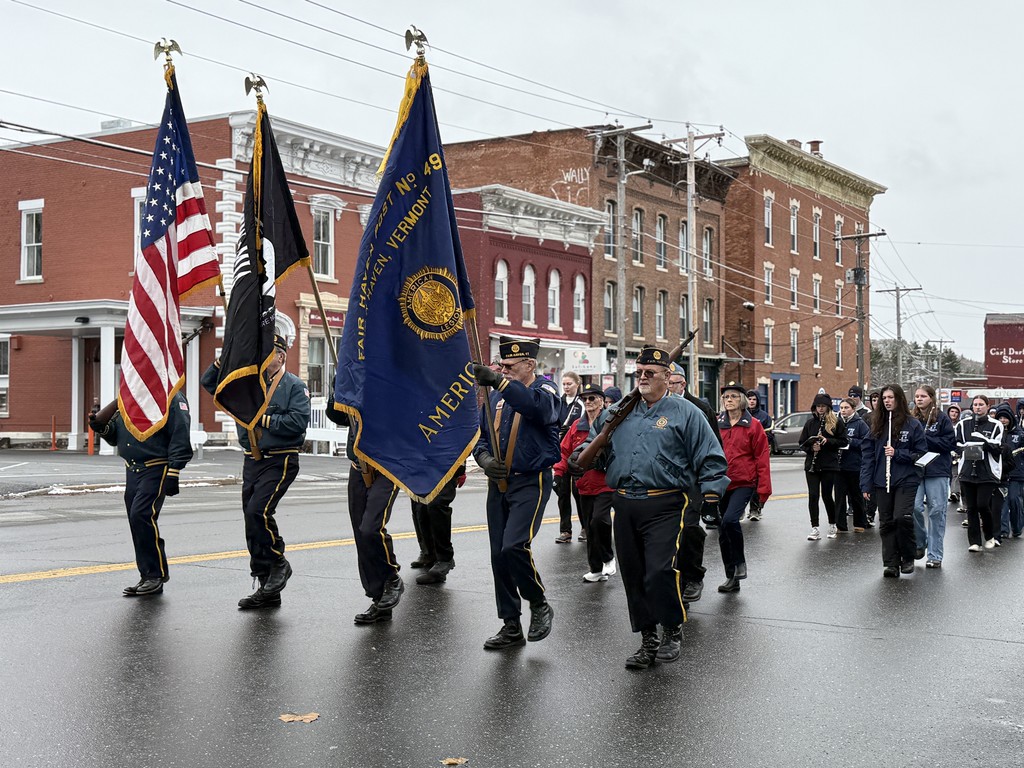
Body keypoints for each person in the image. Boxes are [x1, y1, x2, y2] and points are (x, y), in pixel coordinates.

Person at [572, 346, 728, 670]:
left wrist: (712, 493)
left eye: (650, 373)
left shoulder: (686, 412)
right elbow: (594, 444)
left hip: (666, 501)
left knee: (659, 571)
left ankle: (672, 629)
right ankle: (647, 639)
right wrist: (583, 456)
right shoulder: (618, 411)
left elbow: (710, 454)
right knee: (633, 575)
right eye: (639, 373)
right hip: (624, 502)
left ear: (667, 377)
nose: (643, 378)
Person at [201, 334, 309, 609]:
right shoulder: (249, 385)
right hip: (252, 459)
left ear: (280, 356)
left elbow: (297, 422)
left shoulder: (294, 386)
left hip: (280, 458)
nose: (260, 360)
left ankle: (278, 563)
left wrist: (262, 418)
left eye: (266, 354)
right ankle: (266, 586)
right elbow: (209, 383)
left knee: (258, 511)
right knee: (251, 522)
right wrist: (226, 357)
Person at [471, 336, 561, 651]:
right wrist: (484, 460)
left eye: (509, 367)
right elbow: (481, 439)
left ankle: (538, 603)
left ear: (530, 365)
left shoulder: (546, 389)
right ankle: (510, 624)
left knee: (514, 546)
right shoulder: (494, 399)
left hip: (530, 481)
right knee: (498, 555)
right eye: (501, 367)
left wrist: (499, 382)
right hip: (499, 484)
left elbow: (539, 409)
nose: (503, 371)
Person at [91, 393, 193, 596]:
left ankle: (155, 575)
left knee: (142, 515)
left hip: (156, 467)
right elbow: (116, 436)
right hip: (132, 469)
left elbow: (180, 434)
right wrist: (101, 426)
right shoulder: (132, 396)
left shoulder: (170, 397)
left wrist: (174, 471)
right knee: (136, 520)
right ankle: (147, 575)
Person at [325, 389, 405, 623]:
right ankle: (379, 599)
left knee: (371, 527)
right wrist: (337, 391)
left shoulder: (390, 373)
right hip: (358, 466)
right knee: (361, 533)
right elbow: (339, 416)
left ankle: (392, 578)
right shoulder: (353, 372)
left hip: (387, 465)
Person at [667, 365, 723, 605]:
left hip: (692, 480)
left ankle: (693, 576)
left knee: (689, 527)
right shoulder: (654, 408)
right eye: (667, 382)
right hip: (665, 481)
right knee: (667, 533)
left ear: (684, 384)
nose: (670, 387)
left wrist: (710, 485)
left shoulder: (700, 409)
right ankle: (671, 581)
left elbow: (714, 448)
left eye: (674, 383)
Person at [861, 385, 927, 577]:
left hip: (906, 479)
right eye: (884, 398)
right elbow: (867, 456)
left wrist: (899, 454)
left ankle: (908, 557)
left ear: (899, 399)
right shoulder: (877, 424)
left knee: (902, 517)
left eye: (891, 397)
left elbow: (921, 454)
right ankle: (891, 562)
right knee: (886, 521)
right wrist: (866, 484)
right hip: (882, 480)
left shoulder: (912, 424)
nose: (887, 401)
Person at [553, 384, 615, 582]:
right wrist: (558, 474)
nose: (588, 402)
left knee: (600, 520)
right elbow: (564, 452)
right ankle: (596, 569)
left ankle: (608, 557)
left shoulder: (611, 423)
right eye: (585, 399)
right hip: (583, 484)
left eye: (592, 398)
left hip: (606, 483)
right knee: (589, 527)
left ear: (602, 401)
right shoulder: (576, 426)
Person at [716, 384, 771, 593]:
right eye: (725, 397)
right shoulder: (717, 423)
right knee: (722, 529)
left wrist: (763, 489)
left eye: (732, 396)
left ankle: (740, 563)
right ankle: (732, 576)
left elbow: (762, 458)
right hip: (720, 483)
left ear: (741, 400)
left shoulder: (753, 425)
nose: (728, 400)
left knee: (731, 520)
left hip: (743, 482)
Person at [911, 386, 955, 568]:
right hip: (916, 469)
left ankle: (935, 554)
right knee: (913, 508)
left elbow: (950, 443)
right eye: (916, 396)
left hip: (937, 469)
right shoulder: (911, 419)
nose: (919, 399)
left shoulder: (942, 418)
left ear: (931, 398)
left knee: (937, 511)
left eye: (923, 396)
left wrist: (927, 438)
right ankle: (920, 542)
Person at [955, 395, 1004, 552]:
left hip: (987, 472)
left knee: (983, 504)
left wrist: (983, 441)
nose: (978, 407)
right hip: (968, 471)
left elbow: (998, 448)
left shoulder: (996, 425)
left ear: (988, 406)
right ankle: (974, 542)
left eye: (981, 404)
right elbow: (956, 445)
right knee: (971, 508)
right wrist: (965, 448)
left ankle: (989, 535)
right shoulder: (962, 425)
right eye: (975, 404)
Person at [799, 393, 848, 540]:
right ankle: (815, 527)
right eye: (818, 406)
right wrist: (811, 448)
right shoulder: (810, 423)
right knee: (813, 496)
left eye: (823, 406)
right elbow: (802, 443)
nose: (820, 409)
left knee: (827, 496)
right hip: (812, 465)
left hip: (829, 465)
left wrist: (828, 441)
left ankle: (833, 524)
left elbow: (844, 441)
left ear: (828, 407)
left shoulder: (836, 422)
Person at [409, 466, 466, 585]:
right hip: (420, 464)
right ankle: (428, 553)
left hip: (446, 463)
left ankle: (445, 559)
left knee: (437, 504)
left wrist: (461, 469)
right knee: (419, 506)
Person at [554, 371, 584, 544]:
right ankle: (565, 530)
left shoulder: (580, 403)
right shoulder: (558, 402)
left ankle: (585, 527)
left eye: (569, 384)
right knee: (562, 492)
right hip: (560, 452)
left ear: (577, 384)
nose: (566, 387)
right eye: (564, 384)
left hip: (576, 452)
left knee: (578, 492)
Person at [836, 398, 871, 532]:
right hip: (839, 465)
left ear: (853, 409)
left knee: (856, 495)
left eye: (846, 408)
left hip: (855, 465)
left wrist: (850, 442)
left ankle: (860, 523)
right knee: (839, 497)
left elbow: (866, 442)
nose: (843, 410)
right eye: (842, 408)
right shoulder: (837, 423)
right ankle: (840, 525)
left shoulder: (860, 424)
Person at [994, 404, 1022, 540]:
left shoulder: (1019, 433)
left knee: (1014, 500)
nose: (1003, 420)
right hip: (1001, 473)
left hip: (1016, 473)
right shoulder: (995, 434)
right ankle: (1003, 530)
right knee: (1002, 501)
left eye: (1005, 418)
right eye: (1000, 418)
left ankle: (1017, 528)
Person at [744, 388, 774, 520]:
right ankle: (739, 509)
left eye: (754, 399)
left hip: (758, 453)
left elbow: (769, 435)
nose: (751, 401)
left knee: (757, 481)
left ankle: (755, 509)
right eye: (749, 399)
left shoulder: (764, 417)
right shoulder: (740, 414)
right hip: (744, 453)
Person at [946, 404, 962, 507]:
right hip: (945, 452)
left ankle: (955, 493)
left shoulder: (960, 425)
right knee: (948, 474)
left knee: (956, 473)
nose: (954, 414)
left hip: (956, 453)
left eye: (956, 412)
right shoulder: (944, 424)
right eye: (952, 411)